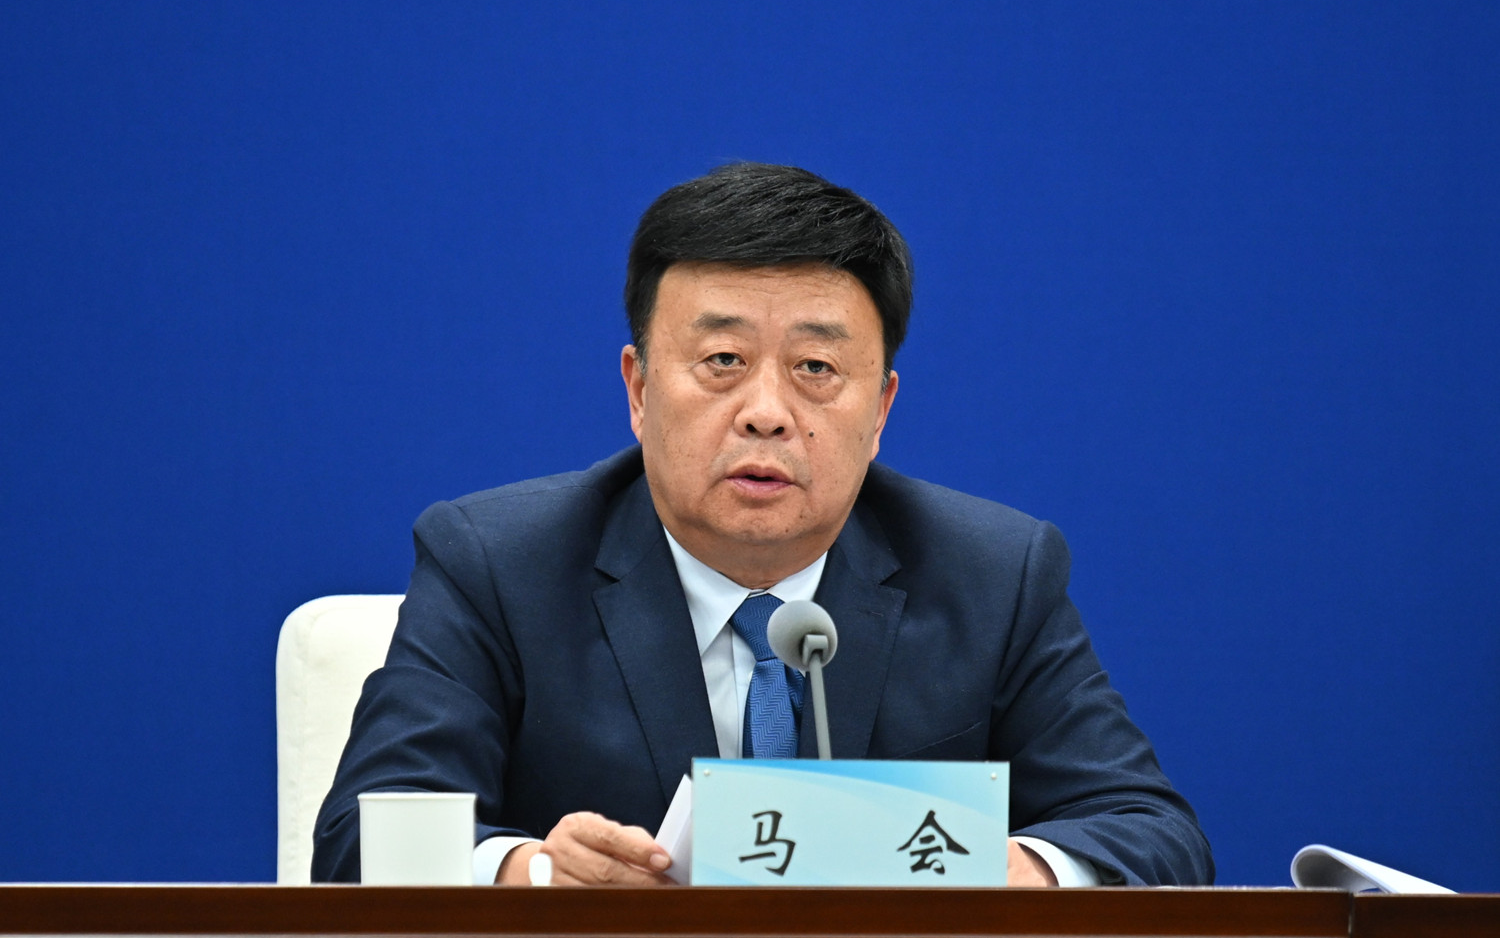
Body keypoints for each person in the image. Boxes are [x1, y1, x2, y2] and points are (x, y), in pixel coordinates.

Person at [312, 163, 1214, 887]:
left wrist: (1018, 869)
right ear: (638, 389)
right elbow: (358, 841)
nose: (767, 412)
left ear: (881, 410)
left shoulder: (994, 574)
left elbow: (1153, 831)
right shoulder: (498, 564)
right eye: (722, 360)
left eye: (816, 367)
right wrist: (529, 870)